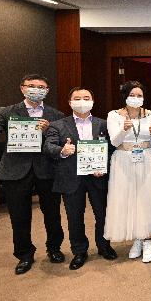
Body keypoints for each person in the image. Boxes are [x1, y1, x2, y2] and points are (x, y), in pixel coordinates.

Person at [0, 74, 65, 275]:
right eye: (32, 86)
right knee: (19, 215)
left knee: (52, 213)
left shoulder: (55, 114)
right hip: (16, 169)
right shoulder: (7, 112)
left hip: (46, 169)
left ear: (47, 91)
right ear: (22, 88)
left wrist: (48, 130)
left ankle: (54, 248)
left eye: (41, 87)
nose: (36, 89)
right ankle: (24, 255)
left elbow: (59, 140)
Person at [44, 87, 117, 270]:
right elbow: (48, 147)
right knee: (74, 216)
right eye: (77, 98)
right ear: (70, 102)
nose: (82, 101)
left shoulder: (103, 124)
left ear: (93, 101)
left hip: (97, 176)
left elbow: (112, 149)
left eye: (86, 98)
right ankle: (79, 251)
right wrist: (62, 150)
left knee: (103, 214)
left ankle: (104, 246)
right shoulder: (58, 125)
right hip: (70, 177)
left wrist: (103, 167)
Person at [104, 81, 151, 263]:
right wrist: (124, 130)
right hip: (123, 160)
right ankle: (137, 240)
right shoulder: (114, 115)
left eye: (140, 95)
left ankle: (147, 241)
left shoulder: (150, 114)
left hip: (145, 158)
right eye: (132, 95)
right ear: (125, 96)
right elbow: (115, 142)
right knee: (128, 199)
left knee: (145, 199)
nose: (136, 99)